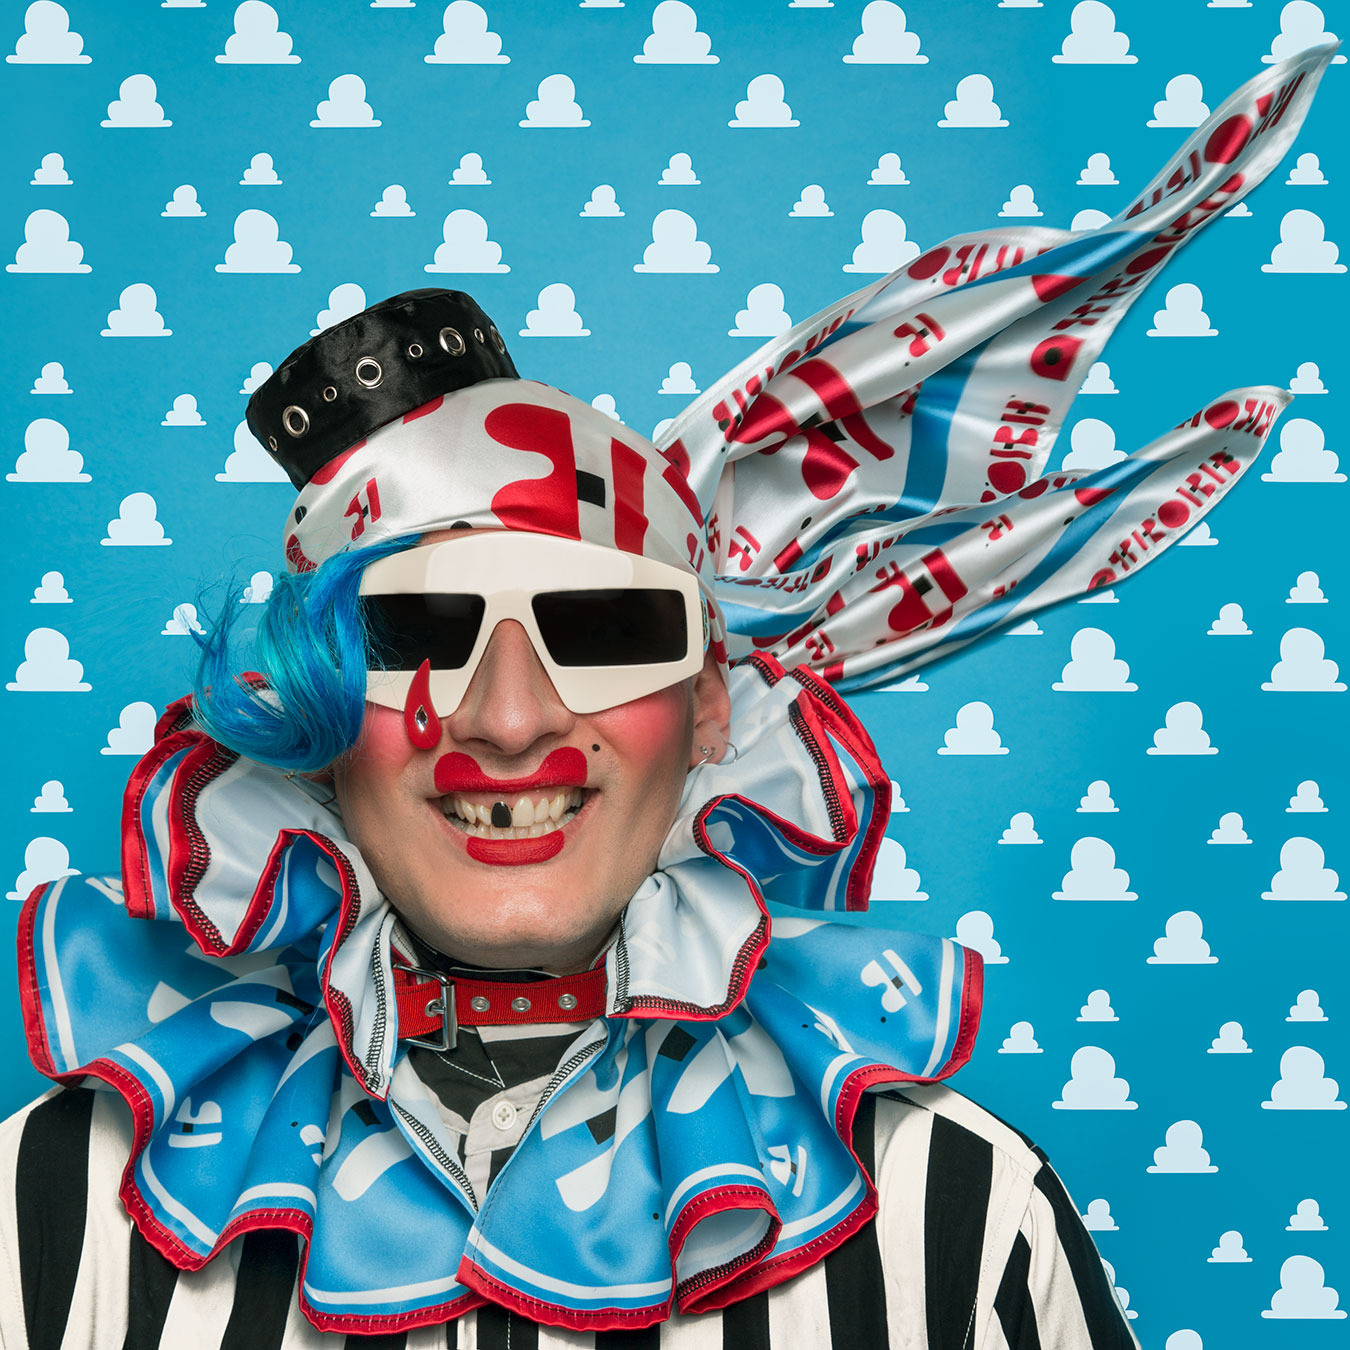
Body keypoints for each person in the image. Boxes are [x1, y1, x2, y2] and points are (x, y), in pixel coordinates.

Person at [0, 47, 1333, 1350]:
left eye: (600, 629)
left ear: (708, 705)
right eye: (417, 630)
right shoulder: (37, 1215)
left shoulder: (968, 1221)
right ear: (319, 711)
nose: (509, 719)